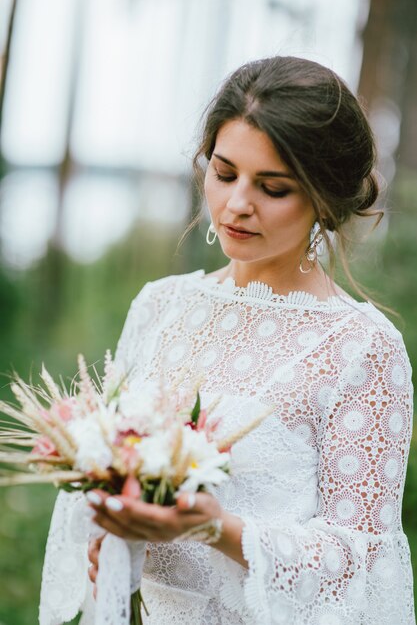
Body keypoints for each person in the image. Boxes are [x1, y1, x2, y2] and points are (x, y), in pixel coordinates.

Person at [40, 56, 415, 624]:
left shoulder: (363, 348)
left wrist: (214, 528)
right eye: (224, 172)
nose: (238, 203)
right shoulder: (160, 305)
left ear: (323, 198)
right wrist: (113, 540)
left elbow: (361, 558)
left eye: (273, 187)